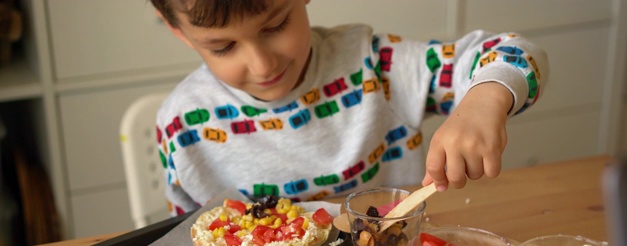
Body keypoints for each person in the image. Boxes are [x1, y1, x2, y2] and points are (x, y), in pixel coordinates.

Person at [149, 0, 549, 216]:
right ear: (180, 33)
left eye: (274, 26)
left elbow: (516, 53)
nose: (262, 64)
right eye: (223, 47)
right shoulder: (183, 127)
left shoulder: (375, 66)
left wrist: (485, 100)